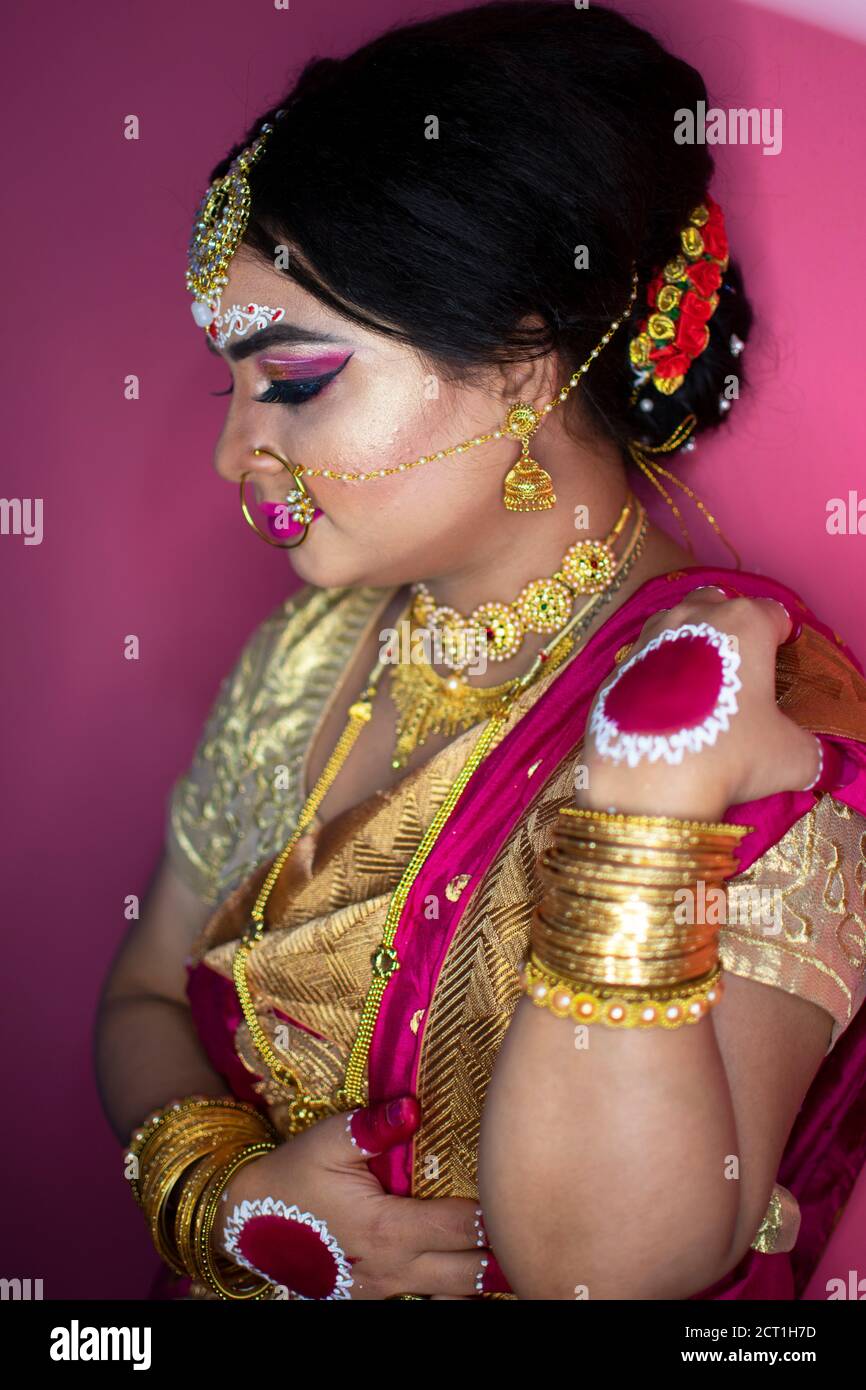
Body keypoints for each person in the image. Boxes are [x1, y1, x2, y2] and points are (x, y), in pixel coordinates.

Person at [95, 1, 866, 1301]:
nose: (238, 454)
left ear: (519, 362)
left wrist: (640, 816)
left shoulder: (759, 704)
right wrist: (214, 1189)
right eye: (225, 388)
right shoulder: (304, 653)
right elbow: (142, 1001)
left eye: (290, 379)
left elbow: (605, 1270)